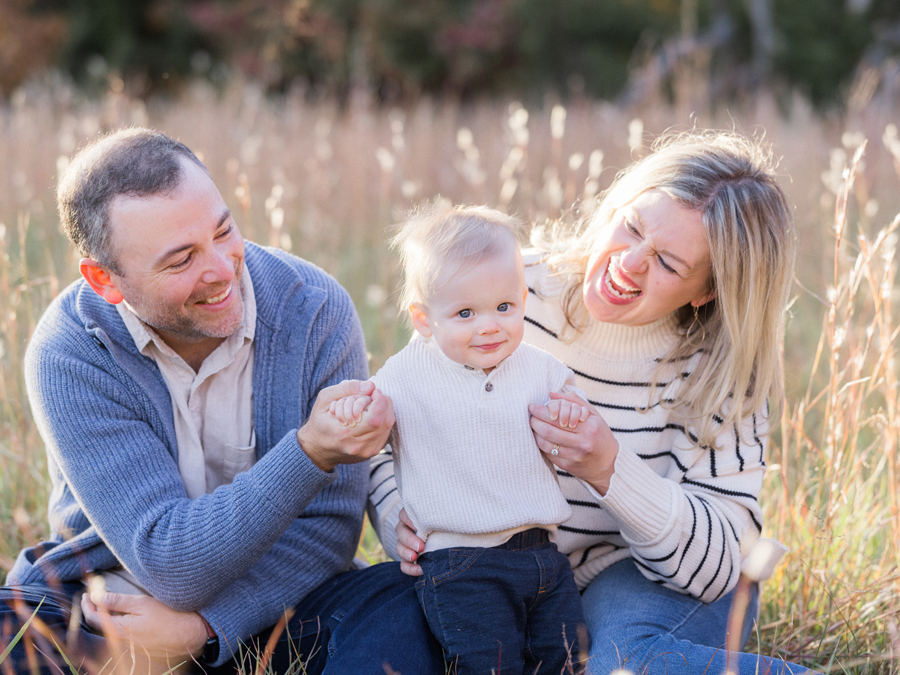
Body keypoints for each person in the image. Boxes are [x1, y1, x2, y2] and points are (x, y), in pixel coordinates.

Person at [369, 131, 819, 674]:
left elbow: (719, 565)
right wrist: (401, 517)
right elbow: (388, 428)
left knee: (627, 665)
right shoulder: (501, 293)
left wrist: (610, 471)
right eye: (631, 225)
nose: (628, 262)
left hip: (635, 576)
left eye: (668, 263)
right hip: (488, 572)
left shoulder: (721, 373)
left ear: (707, 291)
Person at [0, 127, 434, 675]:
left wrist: (205, 629)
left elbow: (329, 529)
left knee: (409, 601)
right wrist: (307, 453)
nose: (223, 269)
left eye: (224, 230)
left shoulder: (314, 308)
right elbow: (168, 563)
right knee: (9, 640)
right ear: (106, 280)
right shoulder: (70, 351)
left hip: (275, 606)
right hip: (107, 609)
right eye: (181, 261)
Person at [330, 204, 588, 673]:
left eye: (504, 307)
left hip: (543, 557)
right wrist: (355, 409)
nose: (489, 325)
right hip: (461, 564)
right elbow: (369, 425)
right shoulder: (407, 375)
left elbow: (576, 422)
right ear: (425, 320)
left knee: (566, 659)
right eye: (465, 312)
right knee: (488, 664)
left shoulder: (538, 367)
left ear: (523, 300)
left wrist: (572, 412)